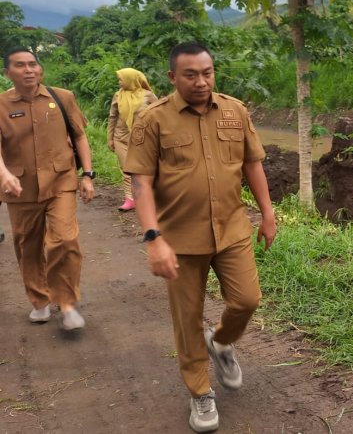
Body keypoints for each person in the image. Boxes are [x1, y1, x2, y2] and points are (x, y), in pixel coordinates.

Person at [124, 41, 277, 433]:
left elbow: (252, 164)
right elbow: (141, 182)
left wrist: (268, 213)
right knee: (188, 319)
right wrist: (153, 238)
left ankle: (221, 342)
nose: (201, 82)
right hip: (179, 238)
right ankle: (200, 391)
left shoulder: (235, 111)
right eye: (190, 75)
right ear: (172, 77)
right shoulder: (153, 120)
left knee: (247, 299)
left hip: (232, 229)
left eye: (207, 73)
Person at [0, 48, 95, 331]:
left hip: (61, 181)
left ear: (40, 69)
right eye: (20, 65)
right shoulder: (1, 104)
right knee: (27, 245)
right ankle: (40, 300)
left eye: (33, 64)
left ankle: (66, 303)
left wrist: (87, 175)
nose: (28, 70)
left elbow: (79, 136)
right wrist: (4, 174)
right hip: (20, 187)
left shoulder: (62, 98)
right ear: (7, 73)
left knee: (65, 239)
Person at [107, 68, 158, 211]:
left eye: (121, 79)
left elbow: (159, 114)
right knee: (126, 169)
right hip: (121, 138)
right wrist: (110, 138)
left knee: (144, 169)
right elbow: (112, 117)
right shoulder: (118, 95)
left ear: (130, 80)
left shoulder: (148, 95)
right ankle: (129, 199)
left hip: (142, 139)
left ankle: (148, 196)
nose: (119, 82)